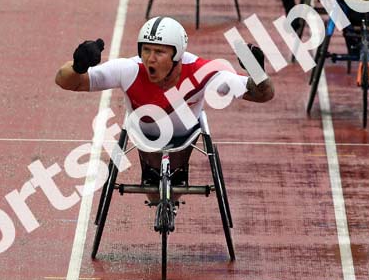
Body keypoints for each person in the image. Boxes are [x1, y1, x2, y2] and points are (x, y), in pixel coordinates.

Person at [55, 17, 274, 188]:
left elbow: (263, 94)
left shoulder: (203, 72)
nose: (150, 58)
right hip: (143, 136)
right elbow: (65, 81)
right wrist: (78, 66)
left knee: (173, 188)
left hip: (185, 137)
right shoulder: (129, 69)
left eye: (159, 52)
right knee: (152, 193)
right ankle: (152, 176)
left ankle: (176, 175)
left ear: (177, 55)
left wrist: (257, 72)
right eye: (146, 50)